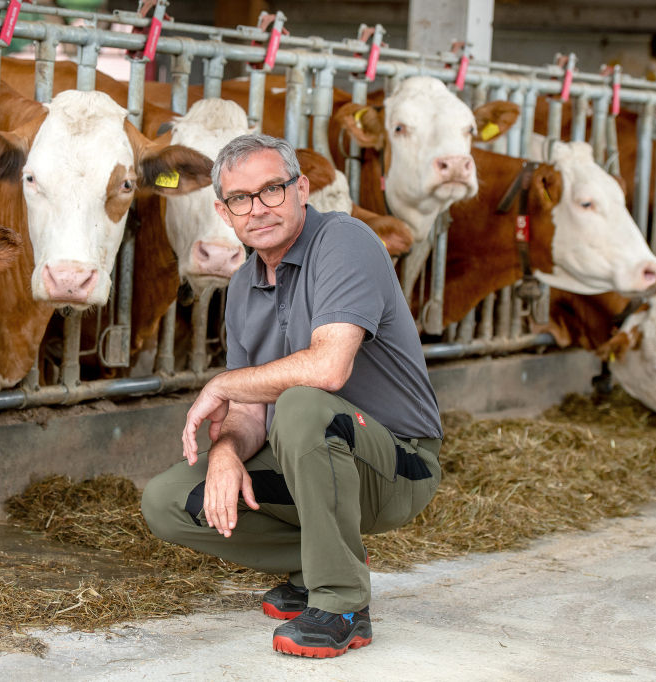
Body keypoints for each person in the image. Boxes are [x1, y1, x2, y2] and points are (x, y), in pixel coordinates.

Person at [140, 134, 443, 659]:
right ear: (223, 212)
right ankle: (322, 565)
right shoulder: (242, 286)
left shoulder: (345, 241)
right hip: (308, 459)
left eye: (272, 190)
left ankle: (342, 602)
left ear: (302, 188)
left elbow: (327, 368)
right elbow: (250, 411)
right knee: (167, 502)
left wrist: (220, 384)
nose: (257, 209)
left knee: (303, 403)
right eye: (240, 199)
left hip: (398, 466)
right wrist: (228, 453)